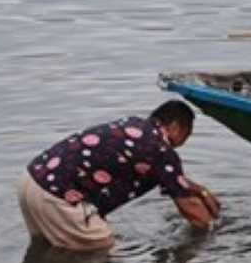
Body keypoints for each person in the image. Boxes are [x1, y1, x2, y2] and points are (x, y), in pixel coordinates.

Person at [17, 100, 219, 252]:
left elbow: (173, 180)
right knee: (101, 250)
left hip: (32, 180)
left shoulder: (134, 126)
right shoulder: (161, 150)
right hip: (58, 196)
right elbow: (191, 210)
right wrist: (213, 235)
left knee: (48, 248)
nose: (184, 142)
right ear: (175, 126)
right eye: (187, 134)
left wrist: (200, 190)